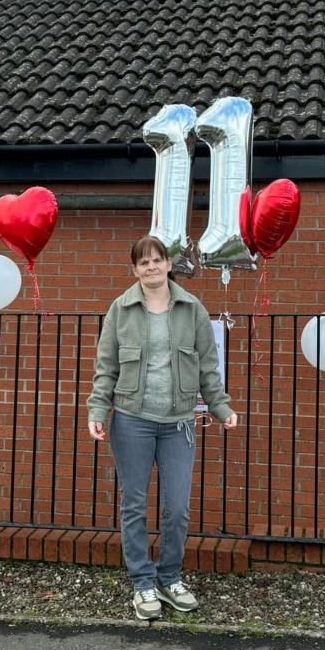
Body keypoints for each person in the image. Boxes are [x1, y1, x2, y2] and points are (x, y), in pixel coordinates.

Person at [87, 236, 239, 620]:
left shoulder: (192, 309)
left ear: (169, 265)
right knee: (134, 506)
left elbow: (208, 366)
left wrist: (221, 408)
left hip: (178, 424)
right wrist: (97, 410)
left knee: (176, 508)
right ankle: (142, 583)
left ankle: (169, 578)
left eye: (158, 260)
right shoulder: (120, 310)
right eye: (143, 262)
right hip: (132, 420)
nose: (151, 267)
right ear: (134, 270)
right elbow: (106, 368)